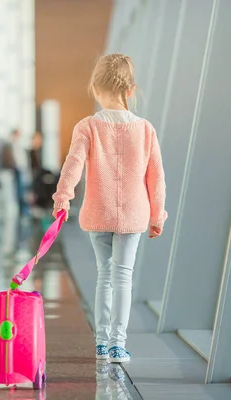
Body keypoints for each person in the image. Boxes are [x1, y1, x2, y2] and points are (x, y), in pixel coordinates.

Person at [51, 53, 167, 363]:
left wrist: (63, 198)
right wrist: (158, 214)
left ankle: (101, 343)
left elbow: (73, 164)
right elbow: (156, 177)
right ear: (131, 90)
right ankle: (118, 344)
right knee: (123, 277)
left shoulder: (87, 126)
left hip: (98, 212)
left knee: (104, 275)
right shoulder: (145, 129)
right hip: (134, 214)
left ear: (95, 88)